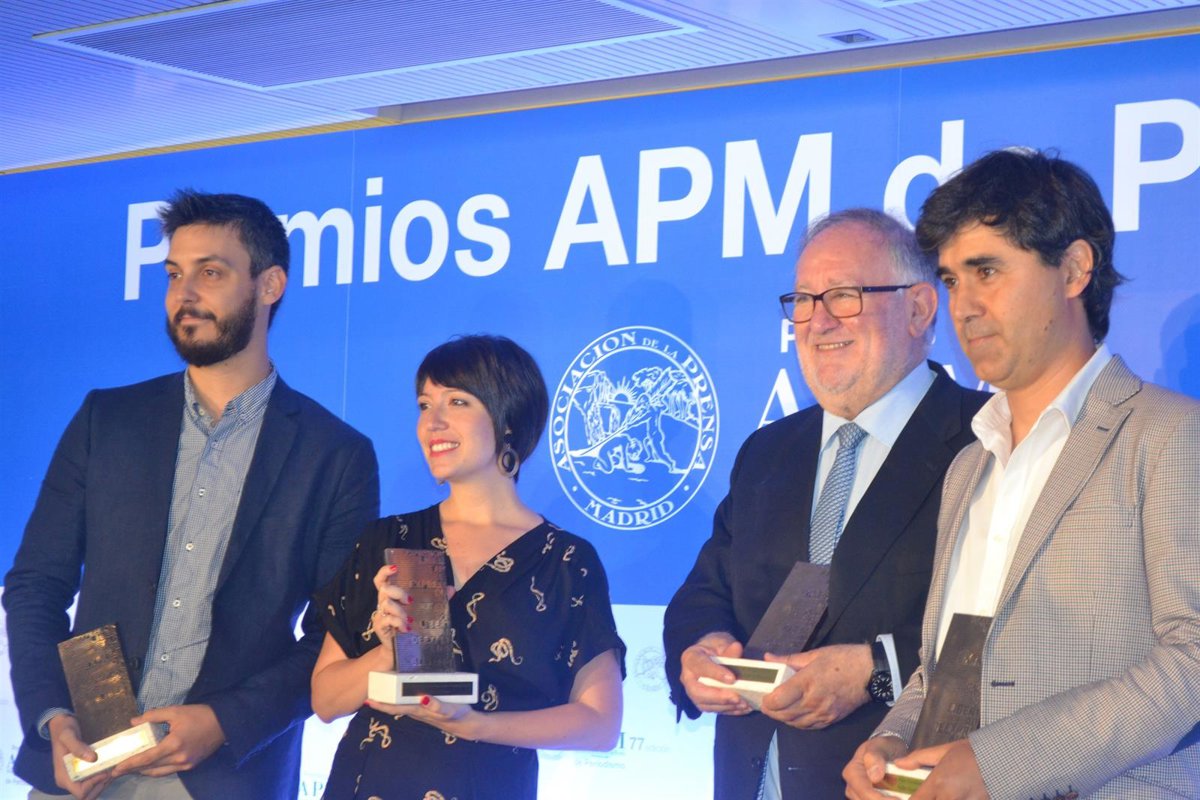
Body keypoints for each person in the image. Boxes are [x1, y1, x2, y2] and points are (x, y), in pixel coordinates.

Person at [844, 149, 1200, 800]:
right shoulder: (968, 465)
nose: (963, 306)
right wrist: (894, 737)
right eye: (951, 280)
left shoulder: (1171, 435)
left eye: (986, 271)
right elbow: (946, 664)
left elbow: (1193, 658)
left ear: (1074, 268)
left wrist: (997, 763)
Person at [3, 190, 380, 800]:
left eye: (211, 273)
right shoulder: (107, 420)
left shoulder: (335, 455)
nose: (185, 294)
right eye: (175, 274)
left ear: (269, 285)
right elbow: (35, 585)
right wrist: (52, 717)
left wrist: (223, 723)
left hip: (224, 775)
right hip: (84, 768)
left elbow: (334, 637)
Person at [663, 209, 988, 799]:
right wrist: (700, 648)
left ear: (919, 308)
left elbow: (1012, 630)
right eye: (803, 300)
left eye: (843, 296)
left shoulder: (988, 438)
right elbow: (704, 593)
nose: (818, 321)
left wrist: (877, 670)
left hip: (888, 780)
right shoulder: (767, 451)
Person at [311, 334, 625, 800]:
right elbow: (325, 701)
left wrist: (476, 724)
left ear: (508, 419)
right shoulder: (389, 539)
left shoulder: (564, 560)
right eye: (424, 405)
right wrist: (387, 653)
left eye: (457, 402)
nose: (432, 422)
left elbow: (600, 724)